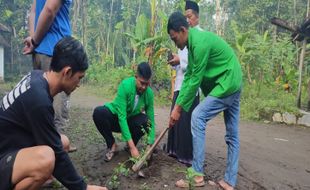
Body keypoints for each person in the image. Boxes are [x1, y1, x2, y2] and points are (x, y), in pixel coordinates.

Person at [0, 37, 107, 190]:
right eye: (79, 78)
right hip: (3, 156)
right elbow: (56, 153)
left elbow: (54, 143)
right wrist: (83, 188)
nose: (79, 84)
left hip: (11, 143)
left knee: (63, 142)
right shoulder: (39, 100)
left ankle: (36, 176)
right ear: (67, 72)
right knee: (47, 158)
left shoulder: (37, 76)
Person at [167, 12, 242, 190]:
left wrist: (178, 109)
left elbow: (195, 80)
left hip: (227, 83)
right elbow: (190, 76)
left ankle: (197, 175)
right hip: (234, 80)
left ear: (183, 30)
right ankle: (230, 181)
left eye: (174, 37)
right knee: (232, 134)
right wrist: (177, 106)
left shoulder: (198, 44)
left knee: (198, 116)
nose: (174, 42)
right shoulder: (193, 43)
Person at [23, 0, 76, 151]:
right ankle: (56, 147)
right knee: (58, 102)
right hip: (56, 51)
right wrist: (34, 40)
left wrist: (34, 39)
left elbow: (33, 12)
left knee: (41, 98)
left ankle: (42, 144)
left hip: (40, 52)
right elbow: (50, 10)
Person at [93, 62, 155, 161]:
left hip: (130, 121)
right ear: (136, 77)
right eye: (142, 83)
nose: (144, 87)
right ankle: (112, 145)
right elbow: (122, 118)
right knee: (99, 113)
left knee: (146, 121)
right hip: (116, 119)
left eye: (146, 84)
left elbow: (151, 120)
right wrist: (133, 148)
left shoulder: (149, 94)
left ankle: (130, 145)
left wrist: (150, 144)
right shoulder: (125, 86)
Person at [166, 0, 202, 166]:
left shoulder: (199, 36)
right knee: (176, 119)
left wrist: (180, 60)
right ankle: (175, 150)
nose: (188, 21)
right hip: (180, 83)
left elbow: (194, 66)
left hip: (190, 85)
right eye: (185, 17)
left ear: (197, 18)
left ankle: (187, 154)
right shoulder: (183, 37)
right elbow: (183, 64)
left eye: (190, 17)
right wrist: (176, 60)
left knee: (186, 120)